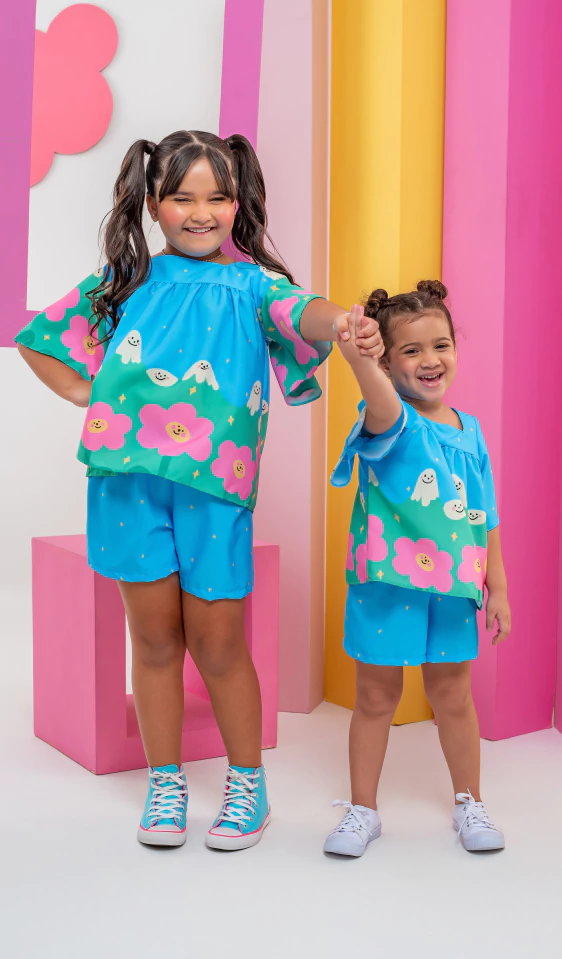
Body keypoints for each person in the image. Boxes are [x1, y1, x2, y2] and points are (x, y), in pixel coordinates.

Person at [16, 130, 383, 850]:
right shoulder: (127, 280)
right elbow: (42, 338)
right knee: (154, 640)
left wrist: (343, 321)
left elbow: (303, 311)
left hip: (216, 490)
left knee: (218, 643)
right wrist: (91, 395)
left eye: (218, 197)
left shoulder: (253, 286)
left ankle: (248, 783)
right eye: (182, 197)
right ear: (153, 202)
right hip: (128, 485)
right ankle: (166, 780)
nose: (201, 212)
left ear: (238, 203)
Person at [325, 281, 511, 857]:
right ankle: (362, 810)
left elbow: (486, 515)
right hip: (388, 584)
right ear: (387, 362)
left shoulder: (470, 429)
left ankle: (469, 801)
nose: (431, 360)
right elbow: (380, 401)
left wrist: (498, 587)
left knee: (453, 696)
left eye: (441, 345)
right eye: (411, 350)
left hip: (453, 588)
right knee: (376, 697)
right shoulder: (390, 419)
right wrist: (360, 360)